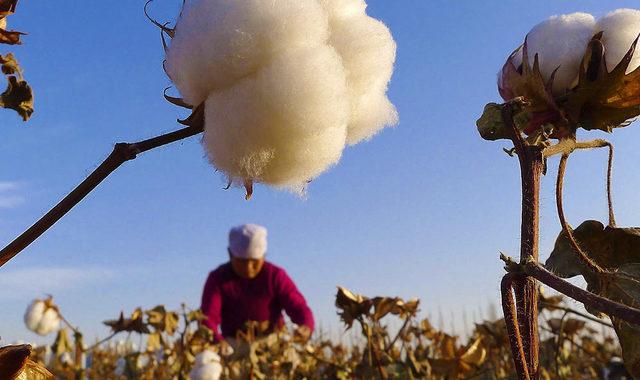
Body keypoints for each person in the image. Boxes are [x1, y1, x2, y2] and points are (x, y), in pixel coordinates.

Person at [200, 224, 314, 343]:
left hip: (273, 342)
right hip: (234, 345)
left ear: (263, 257)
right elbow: (208, 318)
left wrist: (305, 325)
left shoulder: (274, 276)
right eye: (242, 262)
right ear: (230, 254)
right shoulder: (218, 278)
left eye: (255, 261)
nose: (249, 268)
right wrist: (218, 343)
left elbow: (297, 306)